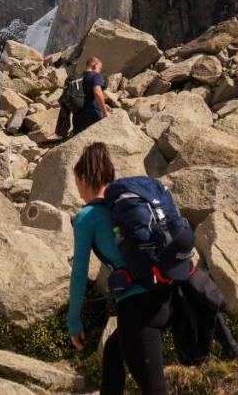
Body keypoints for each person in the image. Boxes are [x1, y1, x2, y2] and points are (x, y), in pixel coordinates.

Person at [69, 142, 171, 395]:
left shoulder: (87, 217)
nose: (78, 191)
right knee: (114, 352)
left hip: (137, 309)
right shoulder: (130, 203)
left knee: (154, 390)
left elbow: (79, 272)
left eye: (77, 182)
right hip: (166, 295)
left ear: (83, 178)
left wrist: (73, 320)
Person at [73, 56, 111, 134]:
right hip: (92, 113)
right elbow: (97, 92)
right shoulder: (95, 76)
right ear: (95, 65)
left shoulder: (77, 78)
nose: (100, 71)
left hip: (77, 116)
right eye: (100, 68)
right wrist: (105, 111)